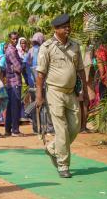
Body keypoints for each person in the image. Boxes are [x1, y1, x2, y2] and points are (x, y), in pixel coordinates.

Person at [36, 14, 88, 178]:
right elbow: (40, 73)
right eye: (64, 27)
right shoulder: (47, 47)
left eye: (68, 26)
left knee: (75, 127)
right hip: (54, 92)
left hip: (71, 92)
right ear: (56, 29)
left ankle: (52, 149)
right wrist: (39, 95)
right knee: (62, 129)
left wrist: (85, 91)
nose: (68, 29)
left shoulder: (75, 46)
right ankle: (63, 165)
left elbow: (80, 69)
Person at [5, 31, 24, 137]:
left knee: (10, 106)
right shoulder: (11, 51)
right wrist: (22, 64)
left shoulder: (13, 49)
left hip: (11, 82)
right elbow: (18, 68)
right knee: (15, 106)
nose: (15, 40)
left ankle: (8, 129)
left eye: (16, 38)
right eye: (13, 39)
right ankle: (15, 130)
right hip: (14, 82)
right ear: (10, 39)